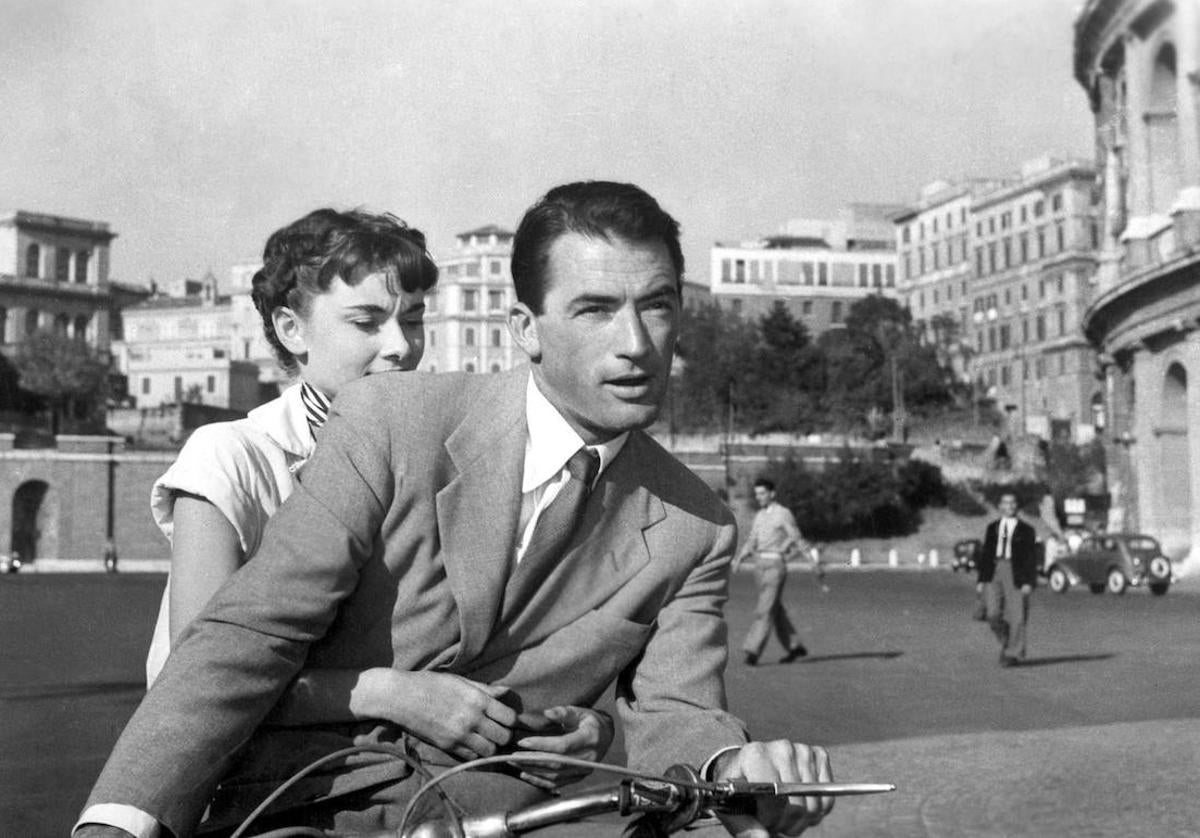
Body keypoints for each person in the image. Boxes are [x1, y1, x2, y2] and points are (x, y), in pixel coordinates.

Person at [77, 181, 834, 838]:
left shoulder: (697, 524)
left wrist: (734, 762)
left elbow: (678, 710)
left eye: (658, 307)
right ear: (525, 331)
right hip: (300, 811)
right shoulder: (389, 421)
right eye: (596, 309)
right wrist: (120, 820)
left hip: (496, 823)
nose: (635, 343)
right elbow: (245, 636)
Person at [144, 207, 610, 782]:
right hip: (256, 797)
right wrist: (392, 694)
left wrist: (571, 724)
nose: (400, 347)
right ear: (291, 329)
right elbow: (195, 680)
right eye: (366, 322)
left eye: (412, 321)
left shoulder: (445, 454)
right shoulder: (232, 456)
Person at [732, 478, 810, 666]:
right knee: (774, 608)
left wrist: (813, 562)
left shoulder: (784, 514)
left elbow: (796, 537)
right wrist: (740, 558)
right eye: (757, 494)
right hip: (759, 566)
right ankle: (794, 646)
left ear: (772, 493)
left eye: (762, 493)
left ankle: (752, 651)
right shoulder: (759, 516)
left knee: (764, 609)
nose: (759, 497)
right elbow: (752, 540)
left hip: (775, 566)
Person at [977, 491, 1038, 667]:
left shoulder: (1027, 530)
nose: (1010, 506)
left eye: (1013, 503)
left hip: (1016, 571)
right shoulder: (992, 527)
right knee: (992, 613)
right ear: (1000, 506)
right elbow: (986, 554)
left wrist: (1029, 581)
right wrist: (981, 580)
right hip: (994, 570)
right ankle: (1006, 637)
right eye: (1006, 502)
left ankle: (1012, 653)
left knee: (1018, 615)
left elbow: (1031, 557)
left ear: (1017, 506)